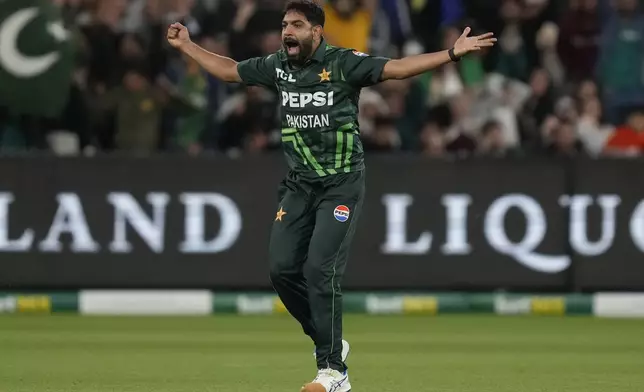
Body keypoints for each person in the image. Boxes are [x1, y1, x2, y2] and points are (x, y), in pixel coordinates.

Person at [166, 1, 495, 391]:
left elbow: (396, 68)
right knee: (281, 270)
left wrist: (452, 53)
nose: (288, 31)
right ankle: (330, 341)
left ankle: (334, 371)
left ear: (317, 32)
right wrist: (188, 46)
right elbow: (229, 70)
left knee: (320, 269)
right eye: (285, 24)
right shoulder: (277, 67)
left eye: (298, 25)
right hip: (300, 185)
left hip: (341, 183)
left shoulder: (343, 63)